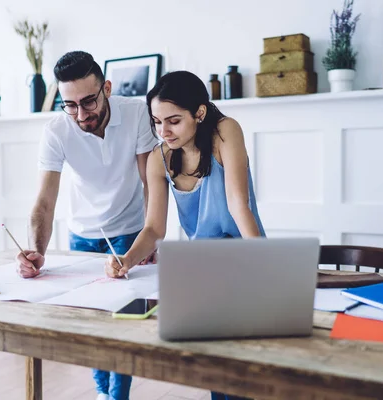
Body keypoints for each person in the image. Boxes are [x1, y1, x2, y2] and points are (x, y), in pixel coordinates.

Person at [105, 70, 265, 400]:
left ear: (200, 113)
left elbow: (238, 205)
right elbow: (154, 229)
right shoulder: (158, 159)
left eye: (174, 121)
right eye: (156, 122)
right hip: (204, 270)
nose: (163, 131)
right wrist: (127, 260)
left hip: (247, 259)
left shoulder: (225, 131)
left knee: (250, 367)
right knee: (217, 370)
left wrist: (268, 262)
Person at [15, 50, 158, 400]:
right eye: (70, 105)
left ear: (106, 88)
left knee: (124, 324)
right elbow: (44, 203)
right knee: (92, 322)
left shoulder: (138, 112)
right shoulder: (57, 130)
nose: (81, 114)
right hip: (83, 234)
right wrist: (36, 251)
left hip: (130, 231)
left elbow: (150, 182)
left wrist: (150, 239)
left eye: (89, 101)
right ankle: (102, 393)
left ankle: (117, 396)